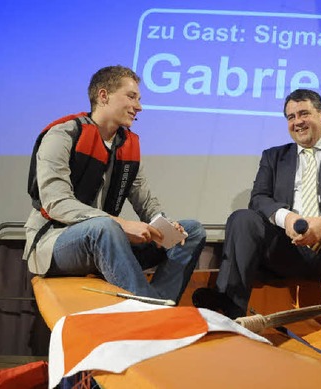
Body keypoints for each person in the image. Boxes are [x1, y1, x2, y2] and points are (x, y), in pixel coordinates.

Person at [193, 89, 321, 319]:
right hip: (287, 250)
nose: (297, 122)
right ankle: (227, 316)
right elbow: (258, 198)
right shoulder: (273, 156)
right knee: (242, 218)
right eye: (291, 117)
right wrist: (286, 218)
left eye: (303, 114)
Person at [23, 65, 206, 303]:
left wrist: (166, 224)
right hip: (56, 243)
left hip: (109, 242)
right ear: (103, 96)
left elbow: (147, 203)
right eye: (131, 97)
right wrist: (120, 224)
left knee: (192, 231)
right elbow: (56, 202)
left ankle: (157, 304)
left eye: (139, 99)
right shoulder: (62, 135)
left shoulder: (126, 145)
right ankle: (148, 308)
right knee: (104, 227)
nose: (139, 107)